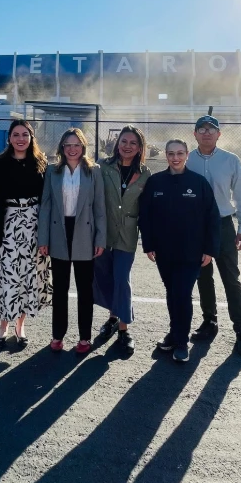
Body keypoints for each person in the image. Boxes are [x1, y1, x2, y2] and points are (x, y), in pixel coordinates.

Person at [138, 139, 220, 364]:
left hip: (191, 253)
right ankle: (174, 333)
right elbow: (146, 217)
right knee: (172, 292)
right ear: (166, 155)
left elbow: (212, 219)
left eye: (180, 153)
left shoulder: (199, 183)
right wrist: (149, 244)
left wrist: (209, 250)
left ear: (186, 155)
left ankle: (181, 343)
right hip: (164, 253)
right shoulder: (156, 182)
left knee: (182, 294)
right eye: (171, 153)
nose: (176, 157)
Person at [185, 116, 241, 358]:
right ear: (194, 134)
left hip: (223, 225)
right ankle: (209, 321)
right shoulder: (187, 158)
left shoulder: (230, 160)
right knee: (203, 277)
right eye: (201, 129)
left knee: (231, 279)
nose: (206, 133)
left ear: (219, 134)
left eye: (211, 129)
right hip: (196, 228)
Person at [38, 128, 106, 354]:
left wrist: (100, 238)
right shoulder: (52, 171)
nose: (72, 149)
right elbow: (45, 206)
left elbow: (99, 208)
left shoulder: (94, 171)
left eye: (76, 144)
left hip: (85, 234)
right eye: (68, 145)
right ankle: (58, 335)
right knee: (60, 289)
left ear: (83, 146)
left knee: (85, 289)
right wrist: (43, 239)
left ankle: (85, 338)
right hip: (59, 232)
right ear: (62, 148)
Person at [0, 120, 51, 345]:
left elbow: (47, 198)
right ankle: (3, 325)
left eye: (25, 134)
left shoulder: (41, 163)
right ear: (10, 138)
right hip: (8, 225)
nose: (21, 138)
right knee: (8, 276)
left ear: (31, 137)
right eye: (16, 134)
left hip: (34, 224)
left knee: (28, 277)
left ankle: (20, 325)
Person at [93, 125, 152, 355]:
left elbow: (148, 210)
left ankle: (124, 330)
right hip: (102, 233)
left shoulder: (146, 174)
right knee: (105, 278)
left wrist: (150, 241)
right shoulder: (102, 166)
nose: (127, 146)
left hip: (127, 235)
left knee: (122, 278)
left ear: (139, 148)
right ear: (117, 144)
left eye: (133, 143)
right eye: (124, 141)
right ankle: (113, 318)